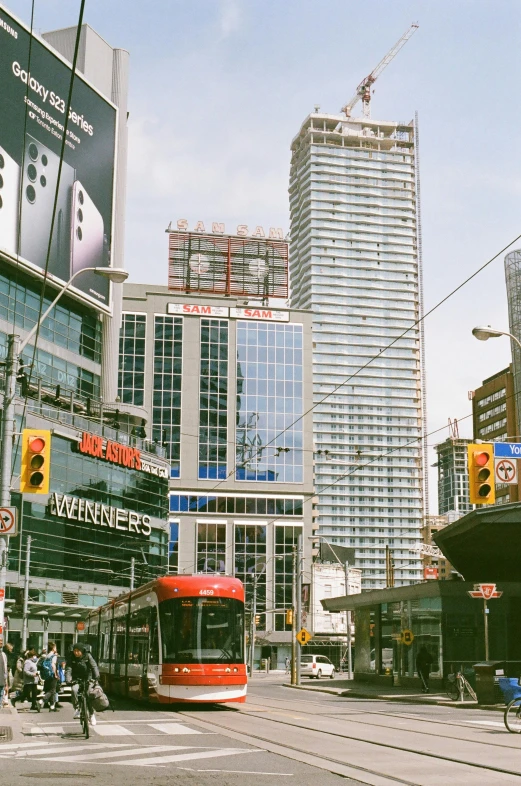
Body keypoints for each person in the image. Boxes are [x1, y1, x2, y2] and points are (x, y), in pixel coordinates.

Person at [65, 643, 100, 726]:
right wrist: (68, 680)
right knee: (74, 690)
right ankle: (77, 709)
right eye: (74, 651)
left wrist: (96, 677)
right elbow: (68, 669)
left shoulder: (88, 656)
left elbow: (94, 666)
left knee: (88, 693)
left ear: (81, 651)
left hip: (88, 677)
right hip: (76, 679)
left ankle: (91, 714)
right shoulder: (71, 658)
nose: (76, 653)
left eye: (78, 651)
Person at [39, 641, 59, 712]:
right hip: (52, 674)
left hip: (46, 675)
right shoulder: (54, 656)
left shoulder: (47, 655)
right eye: (55, 647)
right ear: (53, 648)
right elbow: (53, 665)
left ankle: (52, 706)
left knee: (51, 690)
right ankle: (41, 701)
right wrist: (55, 674)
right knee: (52, 690)